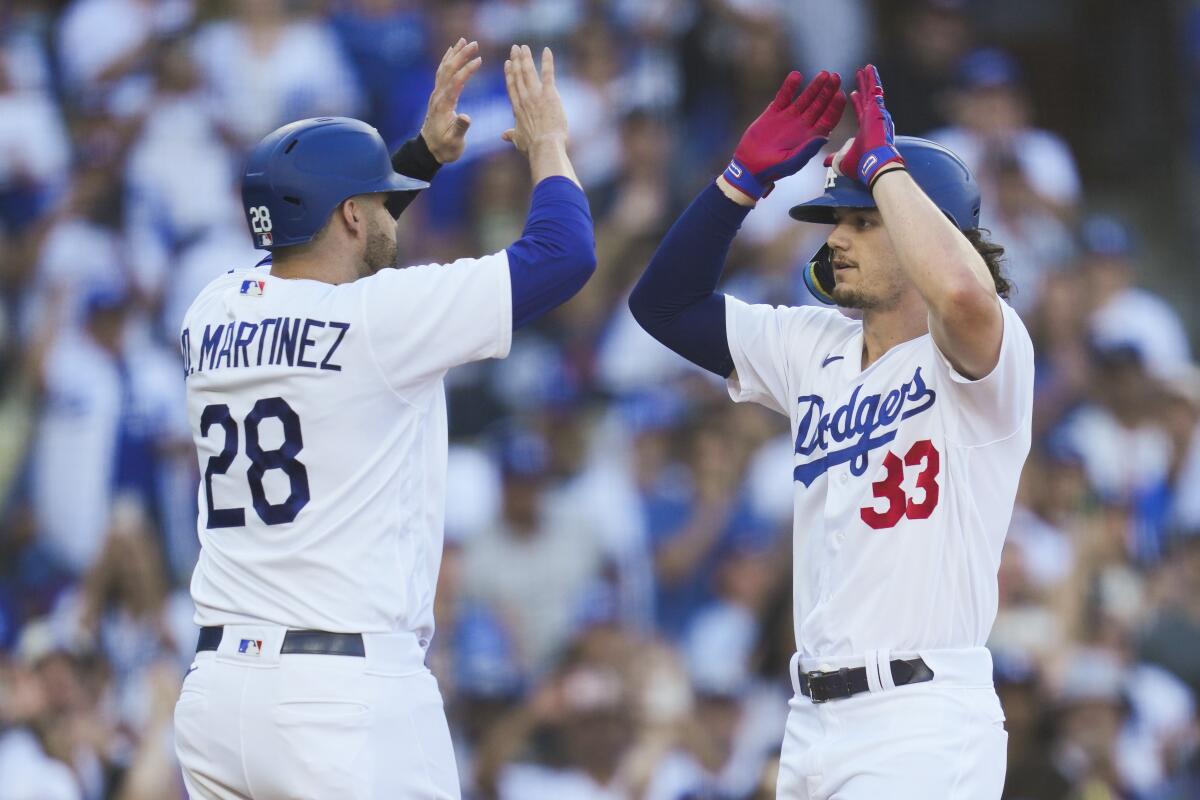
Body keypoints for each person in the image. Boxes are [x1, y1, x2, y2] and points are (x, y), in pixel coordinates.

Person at [173, 40, 595, 799]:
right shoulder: (381, 321)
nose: (389, 206)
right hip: (341, 699)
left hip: (216, 696)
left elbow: (339, 244)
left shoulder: (213, 308)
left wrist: (420, 158)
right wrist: (550, 143)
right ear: (348, 213)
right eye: (379, 196)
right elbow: (564, 254)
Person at [629, 65, 1034, 798]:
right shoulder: (810, 346)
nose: (837, 237)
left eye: (862, 220)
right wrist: (737, 183)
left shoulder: (987, 355)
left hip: (923, 714)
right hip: (811, 720)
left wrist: (885, 169)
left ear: (924, 231)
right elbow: (665, 305)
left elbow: (964, 294)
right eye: (838, 221)